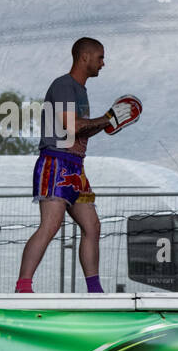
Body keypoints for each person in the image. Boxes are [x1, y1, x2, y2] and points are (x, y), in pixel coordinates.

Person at [16, 37, 112, 293]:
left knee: (92, 226)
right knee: (50, 225)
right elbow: (72, 126)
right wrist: (106, 118)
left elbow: (80, 133)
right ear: (85, 57)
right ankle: (23, 286)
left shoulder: (81, 91)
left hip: (76, 167)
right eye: (100, 57)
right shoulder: (63, 85)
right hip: (56, 162)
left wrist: (106, 124)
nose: (103, 63)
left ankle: (95, 291)